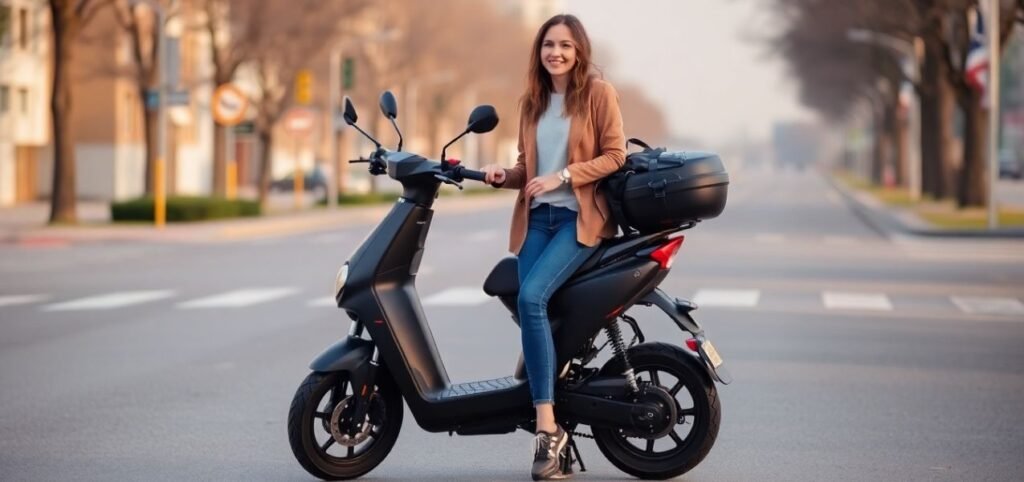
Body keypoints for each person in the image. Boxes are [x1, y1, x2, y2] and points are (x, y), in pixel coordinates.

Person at [480, 13, 626, 481]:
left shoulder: (598, 94)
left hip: (577, 220)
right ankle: (557, 414)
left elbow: (615, 156)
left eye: (565, 45)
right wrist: (506, 175)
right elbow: (529, 168)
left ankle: (546, 426)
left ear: (579, 50)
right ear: (539, 52)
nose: (555, 53)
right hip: (535, 222)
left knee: (531, 297)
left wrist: (564, 176)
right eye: (548, 45)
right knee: (531, 310)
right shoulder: (533, 101)